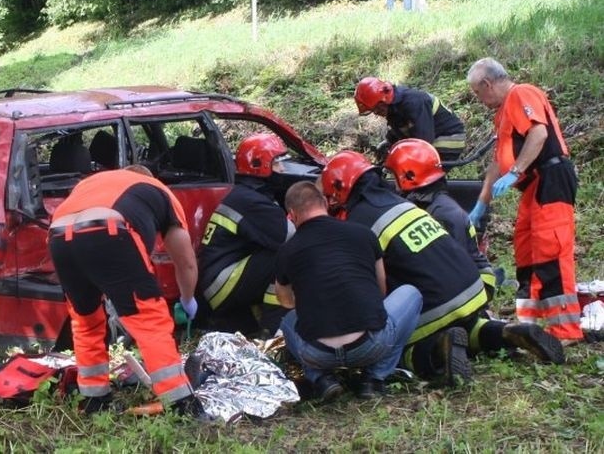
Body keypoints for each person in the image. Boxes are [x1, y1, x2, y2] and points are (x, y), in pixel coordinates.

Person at [320, 151, 565, 385]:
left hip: (436, 303)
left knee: (397, 349)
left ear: (340, 188)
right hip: (472, 289)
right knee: (470, 330)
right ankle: (506, 332)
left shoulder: (357, 223)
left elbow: (364, 284)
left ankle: (437, 349)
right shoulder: (403, 203)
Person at [47, 165, 202, 415]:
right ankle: (180, 402)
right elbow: (185, 262)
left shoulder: (93, 183)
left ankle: (93, 399)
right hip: (109, 227)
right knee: (149, 316)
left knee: (85, 319)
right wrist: (187, 298)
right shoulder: (159, 190)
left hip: (58, 235)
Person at [466, 58, 583, 346]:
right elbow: (497, 164)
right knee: (527, 249)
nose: (478, 100)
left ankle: (564, 331)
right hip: (532, 186)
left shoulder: (522, 93)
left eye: (477, 93)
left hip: (550, 177)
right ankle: (528, 325)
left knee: (550, 250)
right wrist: (482, 203)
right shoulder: (502, 113)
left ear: (487, 83)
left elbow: (539, 133)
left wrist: (517, 170)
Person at [275, 181, 422, 400]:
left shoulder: (287, 250)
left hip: (318, 353)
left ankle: (321, 379)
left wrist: (315, 301)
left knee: (288, 321)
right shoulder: (363, 234)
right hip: (370, 345)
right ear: (324, 203)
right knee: (411, 293)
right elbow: (380, 291)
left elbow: (285, 301)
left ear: (292, 214)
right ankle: (374, 379)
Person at [197, 133, 295, 336]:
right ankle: (274, 325)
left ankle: (263, 319)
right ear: (260, 165)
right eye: (277, 163)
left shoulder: (247, 195)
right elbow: (289, 234)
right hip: (221, 285)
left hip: (217, 282)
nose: (283, 169)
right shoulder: (251, 201)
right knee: (286, 253)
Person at [384, 138, 499, 299]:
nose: (395, 186)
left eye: (394, 176)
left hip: (476, 283)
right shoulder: (431, 204)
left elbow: (450, 263)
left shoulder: (442, 213)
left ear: (408, 175)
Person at [354, 76, 466, 162]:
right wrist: (388, 143)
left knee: (420, 169)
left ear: (384, 100)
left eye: (377, 109)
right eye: (374, 111)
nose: (378, 113)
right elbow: (400, 129)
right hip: (435, 138)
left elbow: (423, 142)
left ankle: (430, 191)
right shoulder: (395, 107)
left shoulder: (414, 103)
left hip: (450, 138)